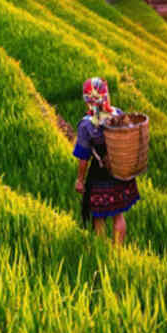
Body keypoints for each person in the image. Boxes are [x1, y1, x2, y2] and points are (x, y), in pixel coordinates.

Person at [72, 77, 139, 244]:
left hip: (99, 173)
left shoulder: (86, 125)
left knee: (98, 214)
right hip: (119, 170)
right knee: (118, 215)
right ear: (106, 95)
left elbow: (83, 156)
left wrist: (80, 179)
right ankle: (118, 253)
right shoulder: (117, 114)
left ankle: (101, 249)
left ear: (87, 100)